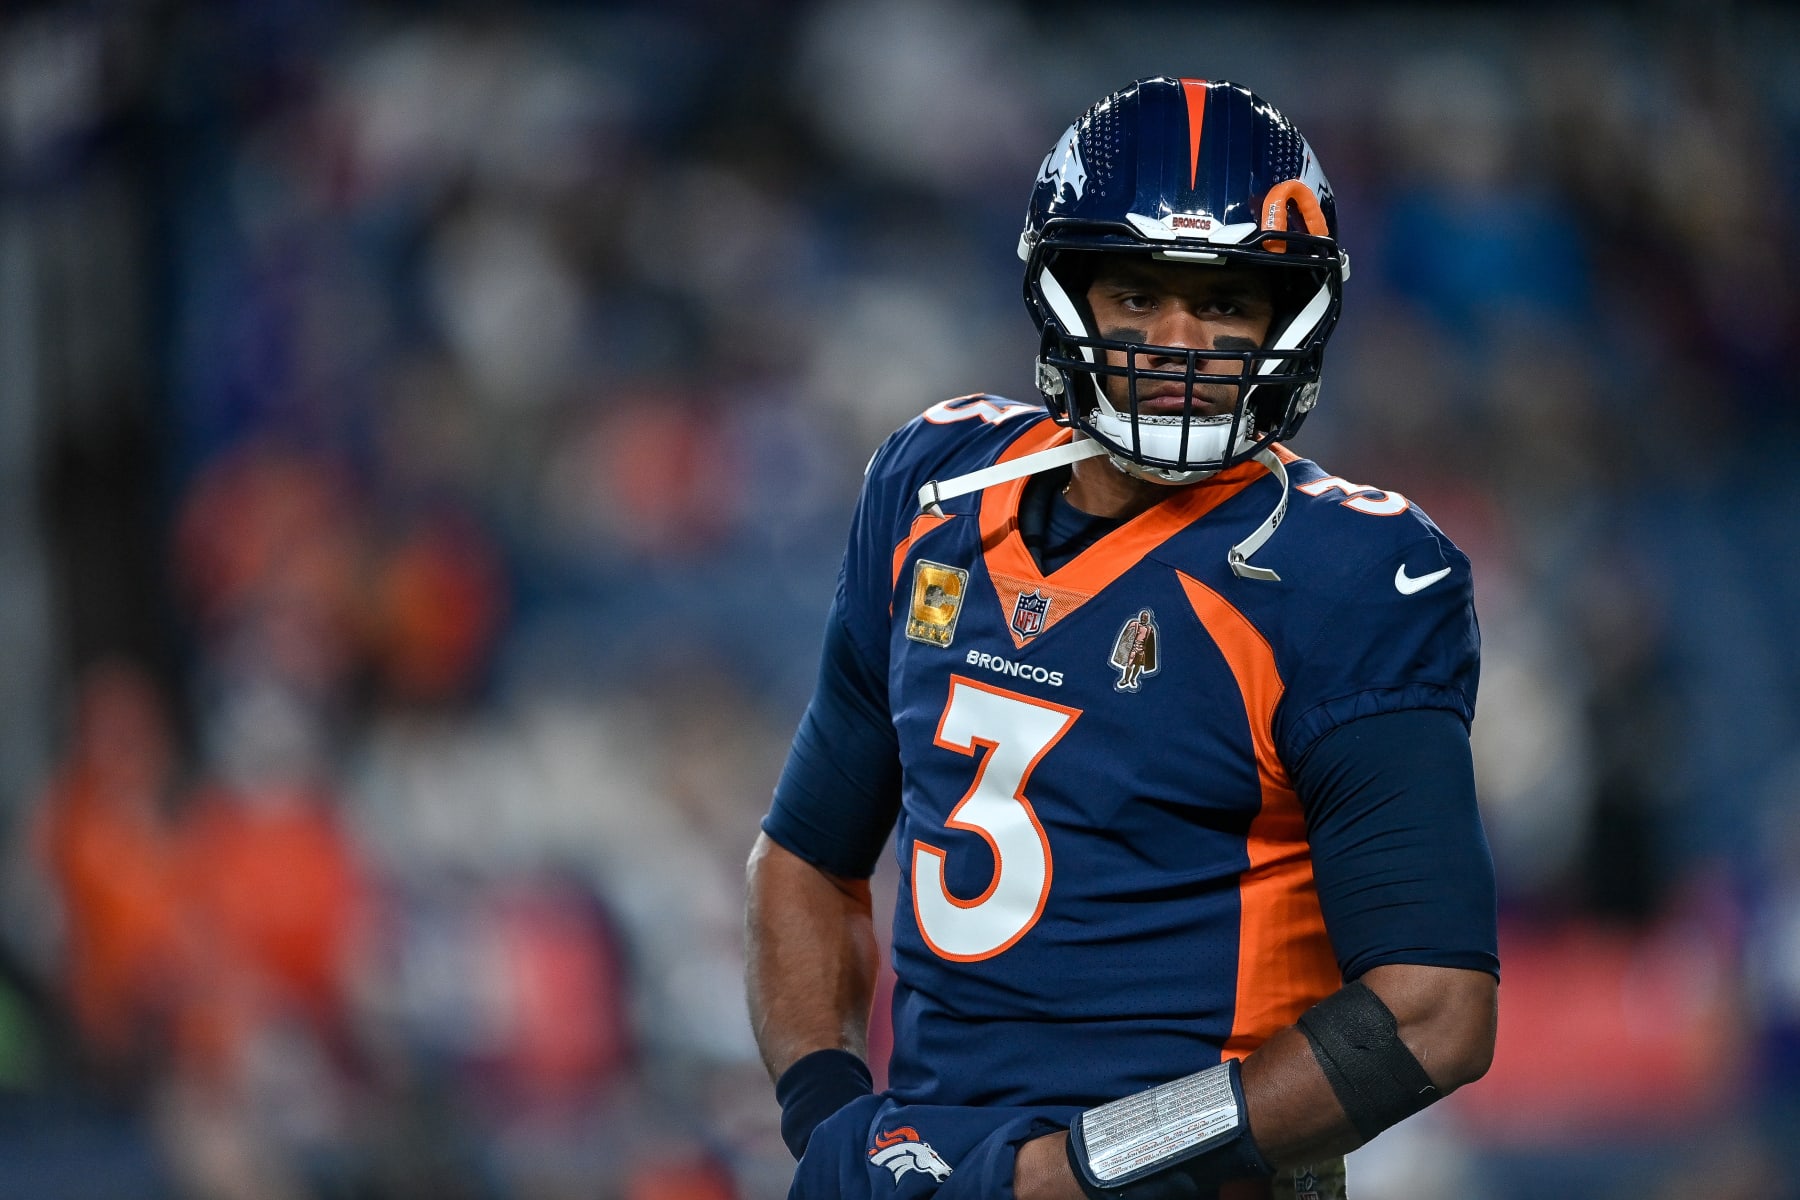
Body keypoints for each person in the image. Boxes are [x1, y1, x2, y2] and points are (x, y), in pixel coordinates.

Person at [745, 77, 1498, 1200]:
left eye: (1229, 303)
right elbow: (805, 858)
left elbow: (1434, 1011)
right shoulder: (931, 488)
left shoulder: (1346, 575)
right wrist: (834, 1118)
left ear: (1291, 319)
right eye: (1138, 294)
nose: (1177, 343)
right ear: (1066, 295)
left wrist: (1080, 1169)